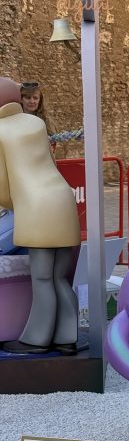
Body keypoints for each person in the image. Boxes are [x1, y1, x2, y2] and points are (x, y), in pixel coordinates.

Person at [0, 76, 81, 354]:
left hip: (35, 206)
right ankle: (66, 336)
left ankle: (37, 339)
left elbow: (2, 186)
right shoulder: (36, 124)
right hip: (62, 198)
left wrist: (14, 204)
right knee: (59, 276)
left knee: (42, 277)